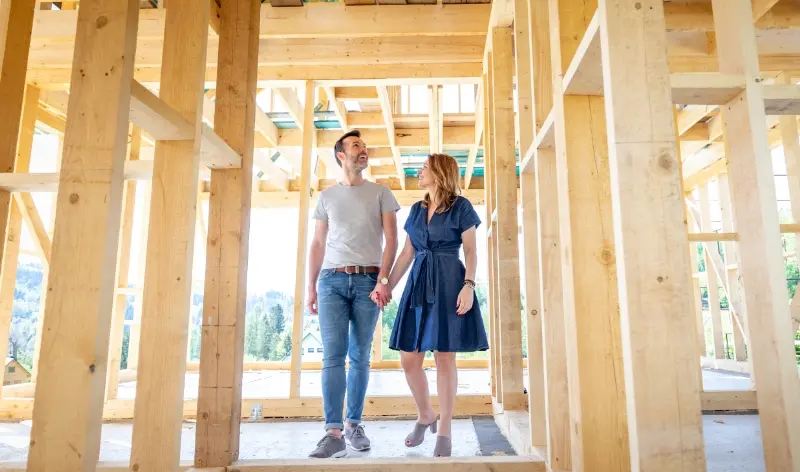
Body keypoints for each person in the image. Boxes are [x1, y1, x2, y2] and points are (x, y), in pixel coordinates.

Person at [379, 153, 488, 458]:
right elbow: (406, 254)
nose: (419, 171)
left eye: (424, 167)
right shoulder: (416, 210)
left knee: (444, 358)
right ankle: (426, 414)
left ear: (439, 173)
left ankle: (445, 430)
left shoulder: (461, 207)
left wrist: (469, 286)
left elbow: (471, 250)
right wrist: (386, 284)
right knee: (408, 359)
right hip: (417, 286)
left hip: (451, 282)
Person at [306, 129, 400, 459]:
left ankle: (354, 424)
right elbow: (318, 244)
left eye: (364, 146)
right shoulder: (327, 197)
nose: (363, 150)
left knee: (359, 355)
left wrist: (383, 280)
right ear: (341, 156)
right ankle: (333, 432)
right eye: (356, 146)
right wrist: (311, 286)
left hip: (367, 281)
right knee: (332, 355)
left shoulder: (381, 193)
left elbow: (392, 240)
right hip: (330, 282)